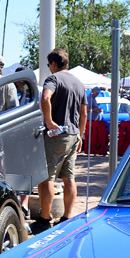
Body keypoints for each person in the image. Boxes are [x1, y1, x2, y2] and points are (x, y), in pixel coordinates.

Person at [36, 48, 87, 233]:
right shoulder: (79, 83)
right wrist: (80, 135)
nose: (49, 68)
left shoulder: (53, 79)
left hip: (57, 135)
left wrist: (49, 122)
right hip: (74, 135)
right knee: (69, 178)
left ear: (54, 64)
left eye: (49, 65)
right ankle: (67, 217)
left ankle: (44, 219)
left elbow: (45, 97)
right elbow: (83, 113)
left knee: (46, 178)